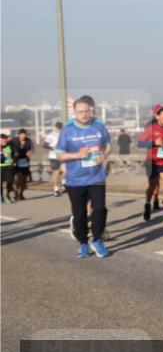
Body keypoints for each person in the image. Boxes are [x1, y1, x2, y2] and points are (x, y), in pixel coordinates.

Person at [56, 95, 112, 258]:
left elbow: (108, 145)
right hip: (75, 180)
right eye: (80, 112)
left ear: (91, 110)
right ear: (74, 112)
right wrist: (77, 155)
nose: (84, 114)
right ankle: (82, 243)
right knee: (79, 214)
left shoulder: (99, 126)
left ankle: (97, 239)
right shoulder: (68, 130)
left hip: (96, 177)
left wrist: (104, 155)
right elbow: (59, 155)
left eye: (86, 111)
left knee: (100, 208)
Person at [137, 106, 163, 222]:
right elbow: (140, 143)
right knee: (152, 187)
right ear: (157, 116)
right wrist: (154, 143)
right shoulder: (151, 129)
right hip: (152, 162)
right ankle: (147, 204)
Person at [10, 129, 34, 201]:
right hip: (16, 161)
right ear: (19, 135)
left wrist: (30, 153)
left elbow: (31, 150)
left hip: (25, 161)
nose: (23, 136)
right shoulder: (13, 140)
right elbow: (8, 148)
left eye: (25, 135)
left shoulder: (28, 141)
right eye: (22, 134)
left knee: (24, 179)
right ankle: (16, 192)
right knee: (18, 178)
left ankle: (21, 194)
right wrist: (12, 155)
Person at [44, 122, 64, 196]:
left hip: (62, 156)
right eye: (58, 128)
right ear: (55, 127)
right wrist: (53, 147)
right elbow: (45, 145)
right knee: (56, 172)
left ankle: (62, 185)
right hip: (53, 156)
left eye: (60, 128)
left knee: (63, 171)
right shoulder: (51, 135)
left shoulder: (62, 134)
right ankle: (55, 189)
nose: (59, 129)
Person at [1, 134, 13, 203]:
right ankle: (1, 196)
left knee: (9, 181)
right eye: (3, 139)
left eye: (5, 138)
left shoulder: (9, 146)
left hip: (8, 166)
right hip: (1, 167)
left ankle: (8, 196)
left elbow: (13, 154)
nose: (4, 140)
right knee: (1, 183)